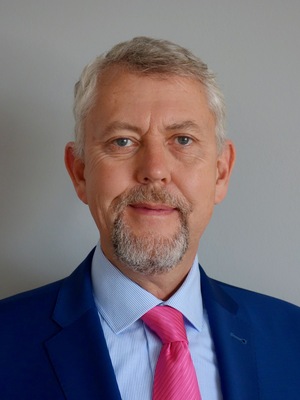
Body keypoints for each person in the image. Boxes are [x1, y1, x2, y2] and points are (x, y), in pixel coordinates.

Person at [0, 37, 299, 400]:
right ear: (80, 173)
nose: (155, 170)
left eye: (183, 140)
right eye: (123, 141)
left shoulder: (291, 339)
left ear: (221, 174)